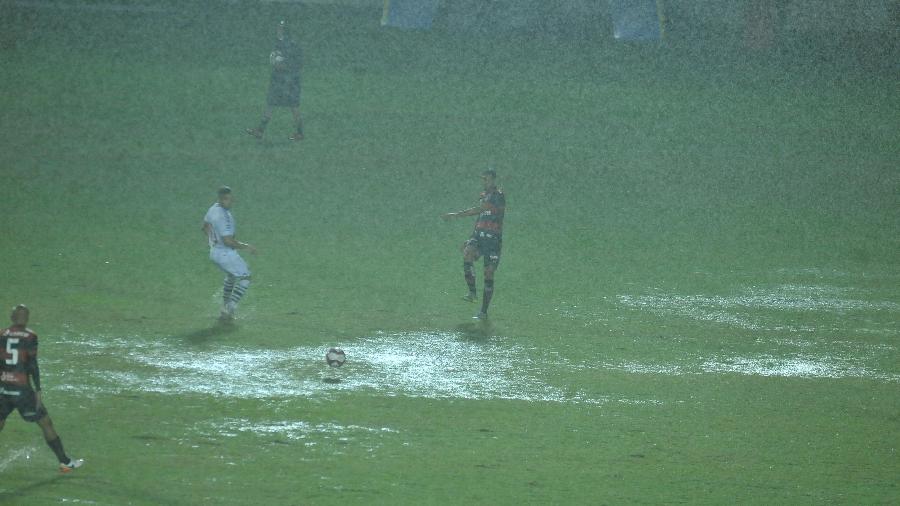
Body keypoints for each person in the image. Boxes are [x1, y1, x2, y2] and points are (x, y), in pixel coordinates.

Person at [1, 304, 83, 473]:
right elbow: (32, 364)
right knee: (46, 423)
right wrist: (38, 390)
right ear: (26, 319)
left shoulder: (2, 334)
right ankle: (65, 462)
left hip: (3, 389)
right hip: (23, 391)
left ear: (12, 318)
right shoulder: (30, 336)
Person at [442, 169, 506, 319]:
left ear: (494, 180)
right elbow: (481, 216)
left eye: (488, 180)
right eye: (483, 179)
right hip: (479, 236)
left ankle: (483, 311)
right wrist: (470, 237)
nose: (485, 182)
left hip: (493, 239)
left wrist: (456, 215)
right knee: (467, 253)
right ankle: (472, 293)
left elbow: (479, 210)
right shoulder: (483, 195)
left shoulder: (498, 195)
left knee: (488, 272)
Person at [203, 186, 257, 321]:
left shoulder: (213, 208)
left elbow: (205, 226)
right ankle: (229, 307)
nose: (231, 201)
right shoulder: (222, 217)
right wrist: (246, 247)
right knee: (246, 277)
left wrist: (212, 241)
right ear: (221, 199)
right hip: (225, 254)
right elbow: (228, 241)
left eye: (231, 198)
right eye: (227, 199)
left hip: (214, 252)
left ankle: (225, 305)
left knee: (232, 276)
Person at [247, 20, 304, 141]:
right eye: (278, 27)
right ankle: (260, 131)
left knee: (293, 106)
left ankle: (300, 133)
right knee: (271, 103)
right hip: (279, 79)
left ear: (285, 30)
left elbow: (296, 63)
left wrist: (283, 66)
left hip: (288, 80)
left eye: (280, 28)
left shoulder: (289, 44)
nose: (277, 30)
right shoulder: (280, 43)